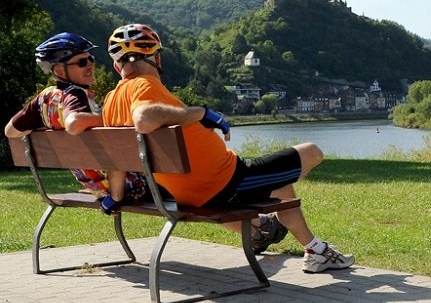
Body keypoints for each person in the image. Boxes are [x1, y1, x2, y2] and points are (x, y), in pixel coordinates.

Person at [99, 23, 353, 273]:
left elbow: (117, 158)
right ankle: (314, 250)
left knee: (280, 182)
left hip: (188, 194)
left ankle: (300, 243)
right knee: (312, 152)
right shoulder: (144, 85)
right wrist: (202, 113)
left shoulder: (110, 101)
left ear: (116, 65)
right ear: (156, 57)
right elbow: (144, 118)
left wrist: (116, 197)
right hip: (227, 182)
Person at [4, 32, 148, 207]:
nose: (90, 65)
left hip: (97, 188)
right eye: (81, 62)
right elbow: (74, 123)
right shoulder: (75, 94)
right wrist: (114, 119)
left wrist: (44, 128)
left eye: (90, 59)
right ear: (58, 70)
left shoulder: (44, 99)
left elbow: (10, 131)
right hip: (129, 188)